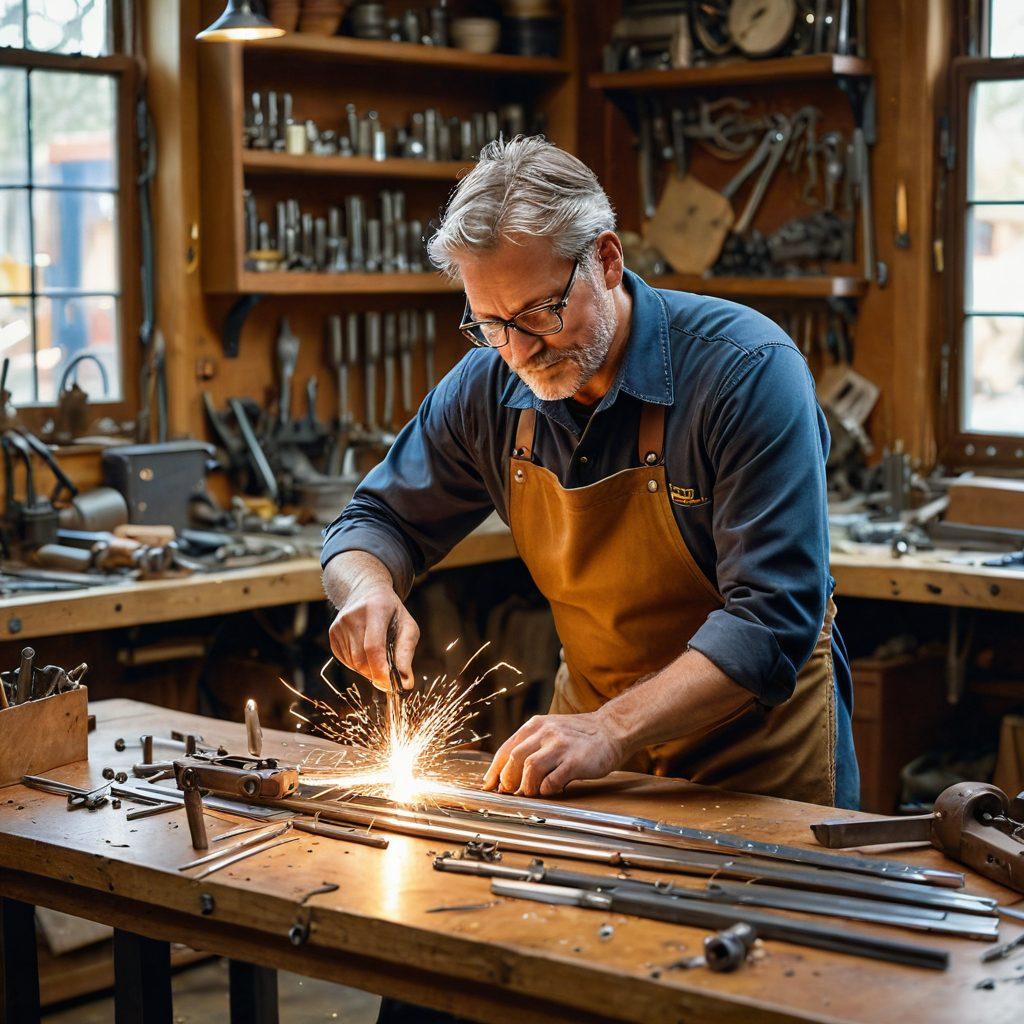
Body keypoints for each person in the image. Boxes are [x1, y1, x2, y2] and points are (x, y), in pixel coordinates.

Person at [321, 135, 859, 814]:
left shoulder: (747, 372)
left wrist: (612, 729)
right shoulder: (488, 386)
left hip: (756, 764)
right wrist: (365, 589)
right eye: (490, 323)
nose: (517, 350)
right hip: (590, 760)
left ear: (606, 259)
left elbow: (773, 619)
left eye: (541, 313)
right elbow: (374, 522)